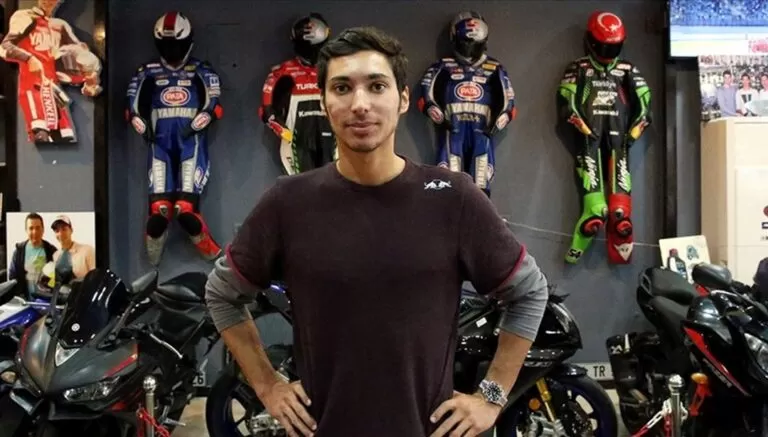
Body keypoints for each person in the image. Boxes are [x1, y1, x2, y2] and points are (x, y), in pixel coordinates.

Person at [205, 26, 548, 437]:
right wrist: (267, 385)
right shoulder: (288, 202)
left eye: (377, 86)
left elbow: (529, 292)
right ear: (325, 102)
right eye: (342, 88)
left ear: (402, 99)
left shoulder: (453, 198)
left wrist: (492, 395)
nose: (360, 104)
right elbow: (222, 295)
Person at [8, 213, 57, 299]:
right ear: (26, 230)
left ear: (43, 229)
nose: (35, 232)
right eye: (31, 228)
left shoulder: (51, 251)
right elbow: (13, 277)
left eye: (38, 228)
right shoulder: (19, 251)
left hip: (46, 300)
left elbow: (59, 277)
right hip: (25, 300)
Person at [50, 215, 95, 284]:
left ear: (71, 230)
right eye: (57, 231)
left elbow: (95, 278)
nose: (61, 234)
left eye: (64, 229)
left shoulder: (87, 250)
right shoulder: (55, 256)